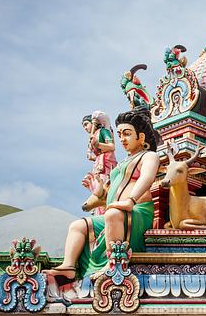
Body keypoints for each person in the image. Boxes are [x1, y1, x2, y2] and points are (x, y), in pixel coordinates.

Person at [44, 108, 160, 284]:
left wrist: (130, 201)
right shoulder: (123, 163)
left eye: (127, 134)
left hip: (137, 211)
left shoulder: (149, 156)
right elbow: (109, 193)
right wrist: (98, 190)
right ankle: (68, 267)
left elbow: (147, 177)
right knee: (78, 226)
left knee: (112, 214)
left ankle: (113, 266)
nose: (122, 139)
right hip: (117, 212)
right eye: (120, 134)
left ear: (141, 137)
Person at [81, 111, 117, 215]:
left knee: (105, 186)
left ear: (93, 123)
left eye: (86, 124)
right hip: (98, 163)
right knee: (97, 186)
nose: (85, 128)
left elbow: (111, 147)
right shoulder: (93, 136)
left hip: (106, 162)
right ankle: (99, 212)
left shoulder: (103, 131)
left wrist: (98, 144)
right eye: (83, 126)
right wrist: (92, 156)